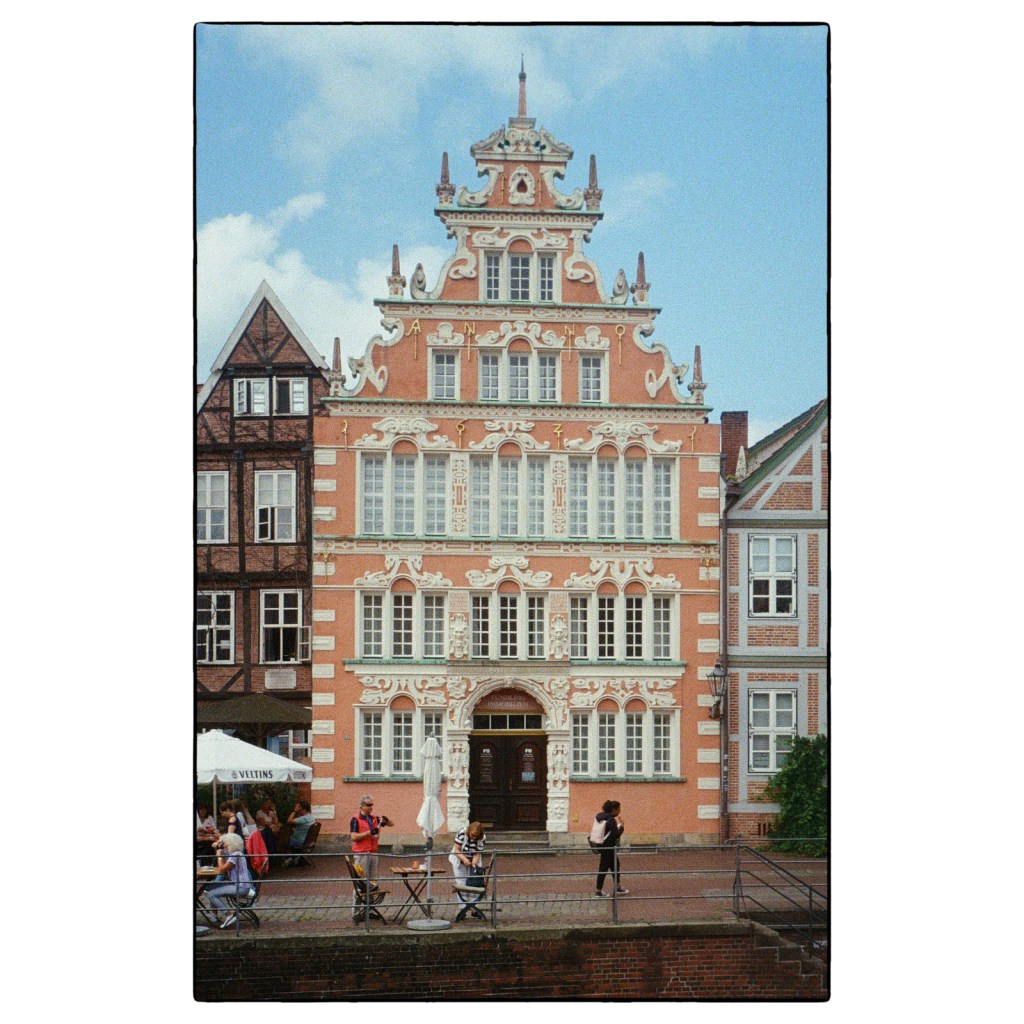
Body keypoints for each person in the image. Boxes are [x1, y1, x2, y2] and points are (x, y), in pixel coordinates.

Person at [204, 832, 254, 929]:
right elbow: (215, 846)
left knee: (211, 894)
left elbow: (222, 870)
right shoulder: (236, 853)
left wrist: (219, 856)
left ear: (230, 843)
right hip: (239, 885)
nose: (223, 845)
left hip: (241, 887)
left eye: (224, 843)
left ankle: (228, 915)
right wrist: (219, 847)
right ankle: (213, 914)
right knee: (210, 888)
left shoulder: (235, 855)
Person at [349, 795, 392, 889]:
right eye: (368, 805)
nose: (371, 807)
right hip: (362, 854)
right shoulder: (355, 819)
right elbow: (353, 837)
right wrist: (369, 833)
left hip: (373, 853)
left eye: (372, 805)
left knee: (373, 881)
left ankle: (371, 898)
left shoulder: (374, 818)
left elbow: (391, 824)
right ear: (361, 806)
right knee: (362, 881)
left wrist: (386, 819)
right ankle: (358, 898)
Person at [449, 821, 487, 921]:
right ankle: (463, 909)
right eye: (472, 835)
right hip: (459, 858)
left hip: (473, 859)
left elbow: (477, 853)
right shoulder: (462, 833)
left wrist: (474, 863)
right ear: (469, 831)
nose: (474, 838)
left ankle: (474, 908)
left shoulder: (482, 837)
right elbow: (457, 850)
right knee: (461, 883)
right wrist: (464, 860)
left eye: (476, 836)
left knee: (475, 883)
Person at [592, 799, 629, 898]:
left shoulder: (600, 816)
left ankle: (618, 888)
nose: (619, 811)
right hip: (608, 847)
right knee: (603, 869)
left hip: (602, 846)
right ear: (614, 809)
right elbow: (616, 835)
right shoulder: (611, 819)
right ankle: (598, 892)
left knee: (615, 866)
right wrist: (622, 827)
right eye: (619, 809)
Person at [284, 800, 317, 866]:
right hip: (308, 841)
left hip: (300, 841)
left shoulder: (304, 818)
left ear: (302, 809)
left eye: (299, 809)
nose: (298, 811)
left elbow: (289, 821)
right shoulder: (311, 817)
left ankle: (288, 858)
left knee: (283, 840)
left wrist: (294, 811)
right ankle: (297, 857)